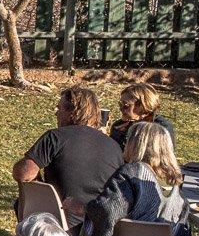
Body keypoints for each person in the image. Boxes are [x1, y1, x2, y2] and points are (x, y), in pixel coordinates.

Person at [82, 120, 196, 236]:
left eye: (127, 141)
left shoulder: (132, 173)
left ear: (136, 144)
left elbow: (107, 213)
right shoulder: (176, 182)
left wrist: (85, 209)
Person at [13, 85, 123, 216]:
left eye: (59, 108)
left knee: (22, 202)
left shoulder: (55, 137)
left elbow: (24, 174)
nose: (56, 113)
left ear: (73, 112)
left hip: (61, 220)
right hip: (99, 224)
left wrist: (42, 186)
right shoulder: (114, 146)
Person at [107, 82, 174, 147]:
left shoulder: (161, 128)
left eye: (126, 105)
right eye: (120, 104)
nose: (121, 108)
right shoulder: (118, 127)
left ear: (142, 106)